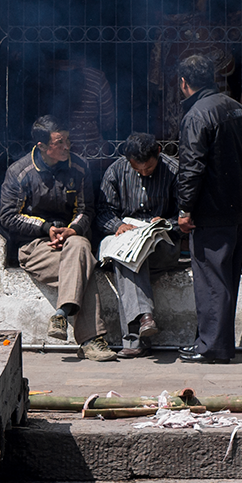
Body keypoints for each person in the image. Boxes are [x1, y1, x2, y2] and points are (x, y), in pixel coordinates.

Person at [0, 115, 115, 361]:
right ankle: (92, 340)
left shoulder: (80, 168)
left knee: (80, 245)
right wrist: (46, 229)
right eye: (59, 143)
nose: (66, 147)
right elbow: (8, 216)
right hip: (35, 246)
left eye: (68, 141)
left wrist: (71, 230)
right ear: (41, 146)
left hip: (72, 240)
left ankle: (61, 314)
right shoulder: (20, 172)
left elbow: (86, 209)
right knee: (84, 267)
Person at [174, 54, 242, 364]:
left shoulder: (197, 115)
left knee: (211, 281)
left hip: (212, 212)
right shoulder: (236, 107)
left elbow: (192, 168)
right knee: (226, 279)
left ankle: (210, 347)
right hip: (238, 210)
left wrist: (184, 209)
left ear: (183, 83)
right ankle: (217, 344)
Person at [96, 132, 181, 358]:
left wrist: (166, 224)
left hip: (161, 246)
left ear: (159, 153)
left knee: (129, 260)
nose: (144, 173)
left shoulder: (174, 171)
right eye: (138, 170)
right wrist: (118, 225)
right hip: (127, 243)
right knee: (129, 256)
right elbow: (103, 212)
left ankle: (134, 342)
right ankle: (145, 319)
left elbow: (185, 216)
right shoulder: (115, 171)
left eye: (149, 169)